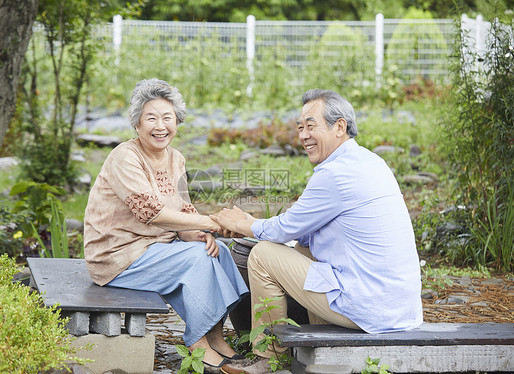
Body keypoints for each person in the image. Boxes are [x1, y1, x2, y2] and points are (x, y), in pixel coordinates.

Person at [211, 89, 423, 373]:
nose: (303, 135)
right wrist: (256, 226)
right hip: (398, 308)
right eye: (301, 127)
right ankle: (311, 339)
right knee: (303, 248)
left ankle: (269, 358)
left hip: (370, 308)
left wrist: (243, 222)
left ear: (339, 127)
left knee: (262, 255)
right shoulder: (371, 162)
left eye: (311, 125)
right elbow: (303, 236)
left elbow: (285, 228)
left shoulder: (335, 174)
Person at [83, 78, 249, 373]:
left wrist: (199, 233)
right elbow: (151, 212)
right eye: (151, 118)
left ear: (177, 122)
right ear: (137, 124)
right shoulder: (125, 156)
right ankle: (197, 345)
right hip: (119, 255)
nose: (160, 126)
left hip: (157, 248)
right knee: (197, 260)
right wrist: (210, 221)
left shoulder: (176, 159)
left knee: (218, 252)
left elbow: (182, 209)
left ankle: (216, 337)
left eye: (167, 118)